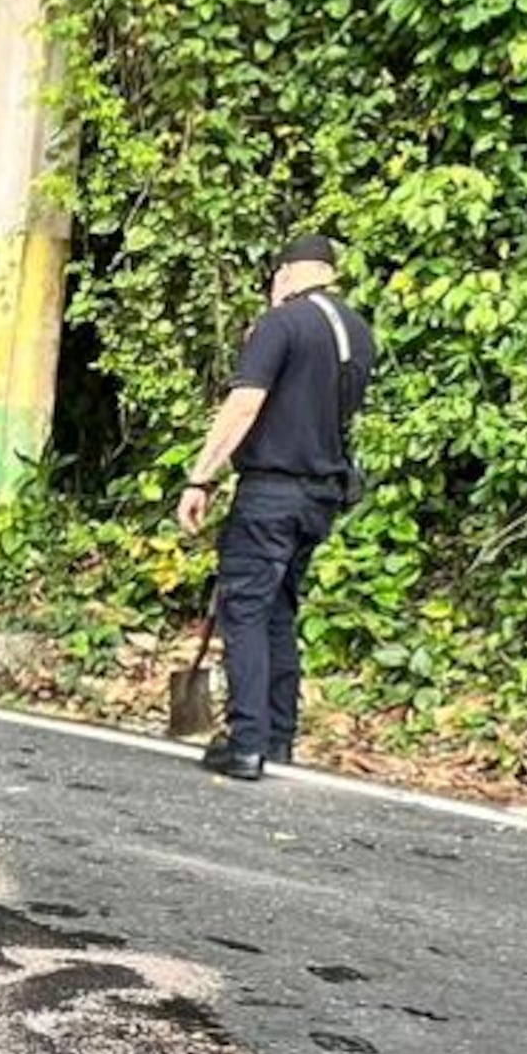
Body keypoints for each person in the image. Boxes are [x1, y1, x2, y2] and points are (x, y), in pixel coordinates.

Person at [177, 229, 376, 782]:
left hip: (271, 492)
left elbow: (244, 407)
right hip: (322, 496)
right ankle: (278, 736)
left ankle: (245, 742)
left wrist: (201, 478)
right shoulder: (358, 333)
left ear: (285, 274)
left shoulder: (281, 322)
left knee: (244, 609)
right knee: (279, 611)